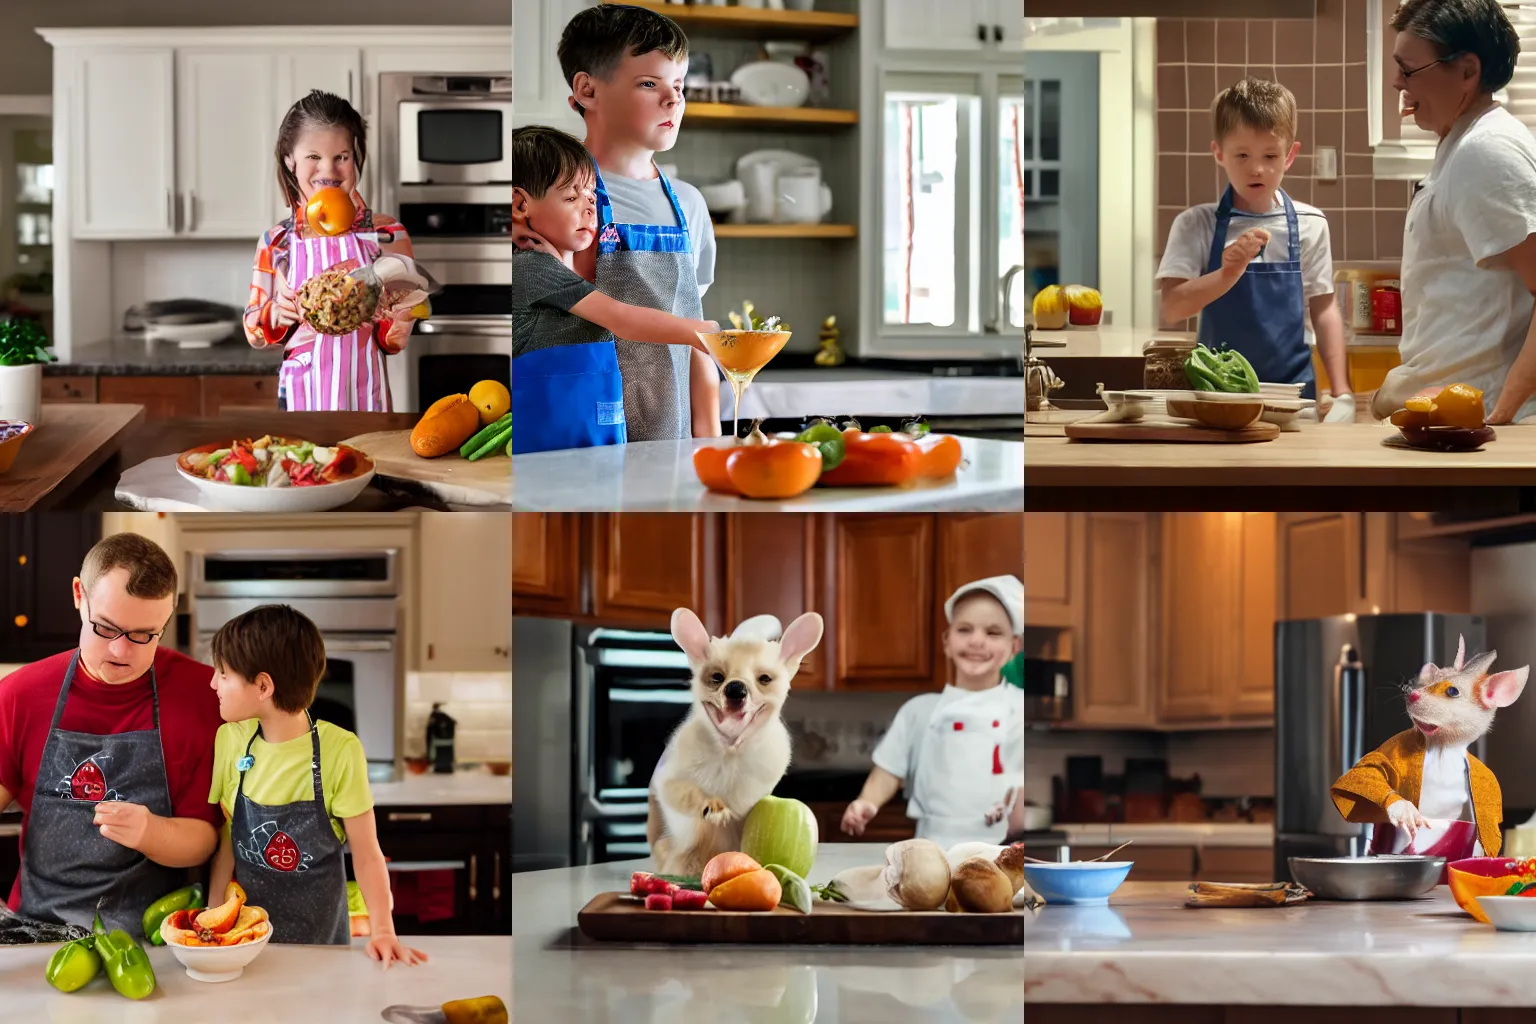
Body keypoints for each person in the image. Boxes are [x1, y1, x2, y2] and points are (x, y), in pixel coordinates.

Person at [0, 534, 223, 938]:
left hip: (154, 939)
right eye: (105, 628)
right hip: (34, 932)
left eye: (143, 635)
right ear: (78, 596)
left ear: (167, 617)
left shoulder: (203, 697)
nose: (121, 652)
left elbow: (205, 836)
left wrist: (152, 833)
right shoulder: (19, 695)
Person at [520, 4, 721, 442]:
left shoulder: (689, 205)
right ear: (587, 90)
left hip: (675, 441)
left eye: (679, 86)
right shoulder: (549, 200)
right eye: (649, 84)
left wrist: (707, 444)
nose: (673, 100)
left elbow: (696, 339)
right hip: (583, 438)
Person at [206, 604, 425, 965]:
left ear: (263, 685)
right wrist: (213, 918)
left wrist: (383, 930)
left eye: (224, 674)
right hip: (248, 949)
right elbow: (228, 837)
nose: (213, 683)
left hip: (324, 951)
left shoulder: (340, 751)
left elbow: (368, 856)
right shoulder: (231, 740)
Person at [1372, 0, 1536, 425]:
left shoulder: (1487, 152)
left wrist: (1503, 413)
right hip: (1454, 420)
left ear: (1467, 71)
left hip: (1479, 427)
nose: (1395, 82)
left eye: (1408, 70)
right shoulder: (1461, 143)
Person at [512, 125, 718, 454]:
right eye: (570, 197)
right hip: (552, 461)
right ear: (520, 204)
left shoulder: (553, 268)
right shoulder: (531, 268)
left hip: (596, 450)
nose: (590, 208)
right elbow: (620, 318)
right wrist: (702, 332)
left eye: (592, 196)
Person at [1158, 77, 1354, 417]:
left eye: (1270, 155)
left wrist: (1342, 393)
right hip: (1215, 400)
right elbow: (1173, 308)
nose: (1257, 168)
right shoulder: (1196, 225)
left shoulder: (1311, 224)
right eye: (1242, 155)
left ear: (1290, 155)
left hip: (1293, 400)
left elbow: (1323, 309)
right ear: (1219, 152)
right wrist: (1227, 274)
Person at [242, 90, 417, 413]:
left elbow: (395, 342)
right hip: (299, 402)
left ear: (356, 158)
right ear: (289, 160)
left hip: (367, 404)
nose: (329, 170)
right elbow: (254, 331)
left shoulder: (387, 234)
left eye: (342, 157)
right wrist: (276, 314)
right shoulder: (277, 241)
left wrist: (392, 309)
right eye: (313, 157)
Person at [841, 576, 1026, 851]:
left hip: (999, 851)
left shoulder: (1020, 710)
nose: (976, 641)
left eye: (993, 632)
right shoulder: (919, 710)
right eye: (964, 629)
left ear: (1014, 647)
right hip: (930, 848)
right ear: (946, 641)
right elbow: (889, 770)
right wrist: (867, 802)